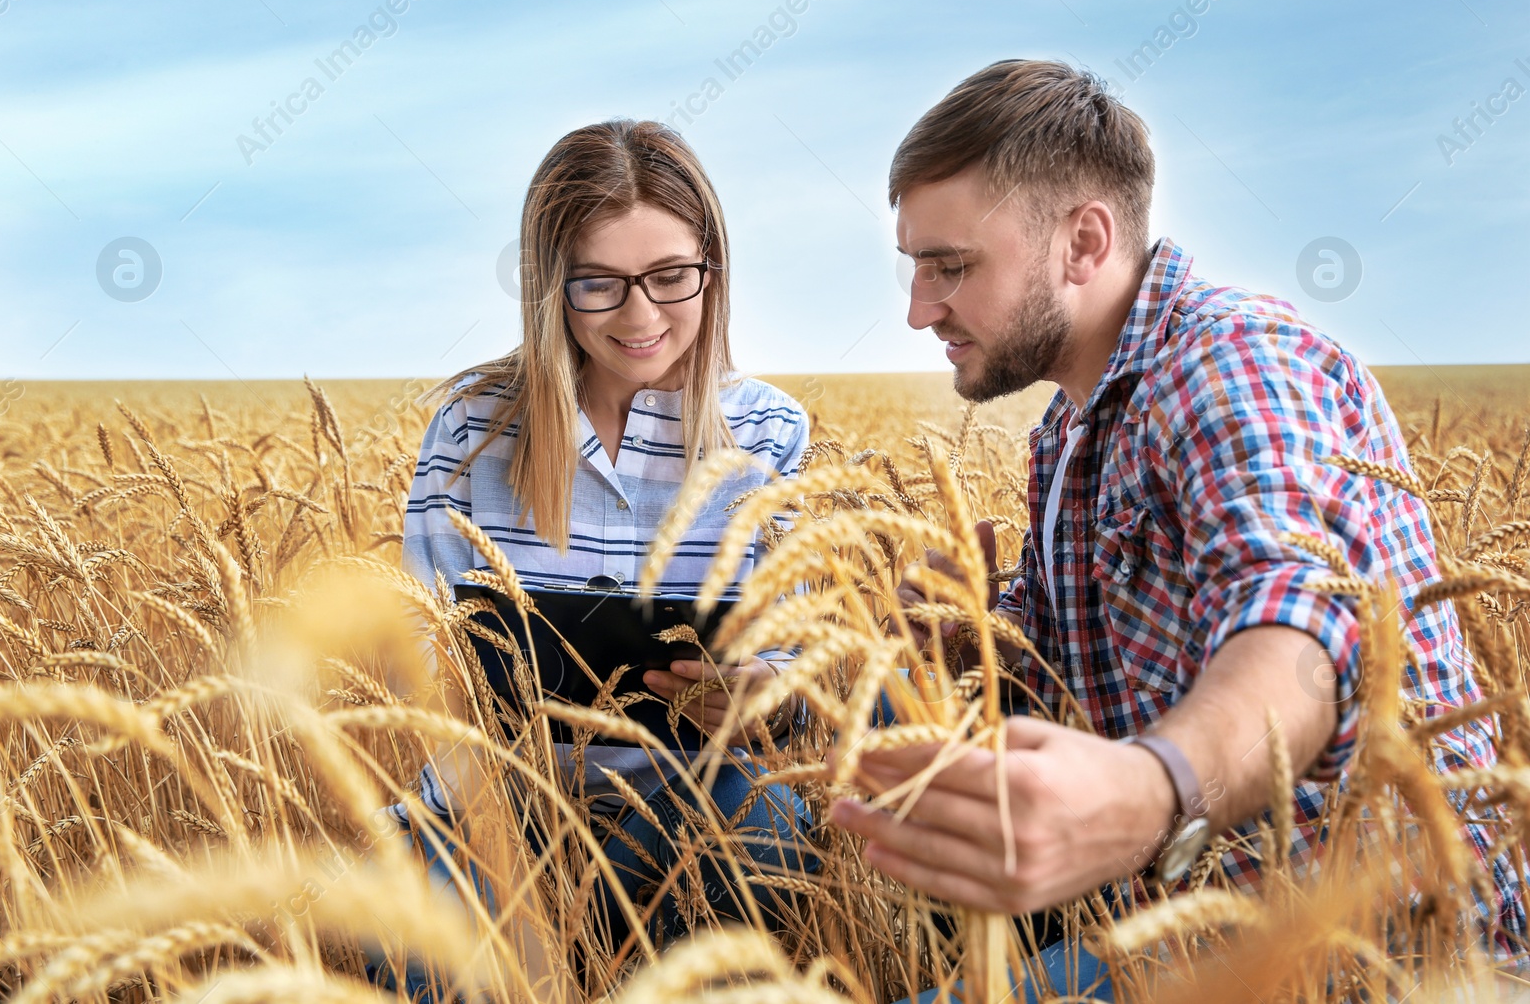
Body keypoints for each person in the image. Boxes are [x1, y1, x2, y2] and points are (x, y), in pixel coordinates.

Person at [826, 59, 1526, 1001]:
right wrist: (933, 638)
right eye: (916, 267)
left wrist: (1149, 791)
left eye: (950, 266)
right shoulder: (1069, 428)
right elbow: (1044, 663)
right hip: (1203, 913)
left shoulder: (1229, 362)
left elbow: (1299, 642)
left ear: (1083, 240)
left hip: (1374, 941)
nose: (919, 310)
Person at [366, 119, 813, 998]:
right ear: (550, 288)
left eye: (670, 277)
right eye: (600, 284)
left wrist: (768, 693)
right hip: (491, 808)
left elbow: (800, 661)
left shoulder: (765, 431)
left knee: (767, 831)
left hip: (702, 810)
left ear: (711, 267)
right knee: (435, 947)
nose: (641, 316)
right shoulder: (473, 426)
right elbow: (422, 643)